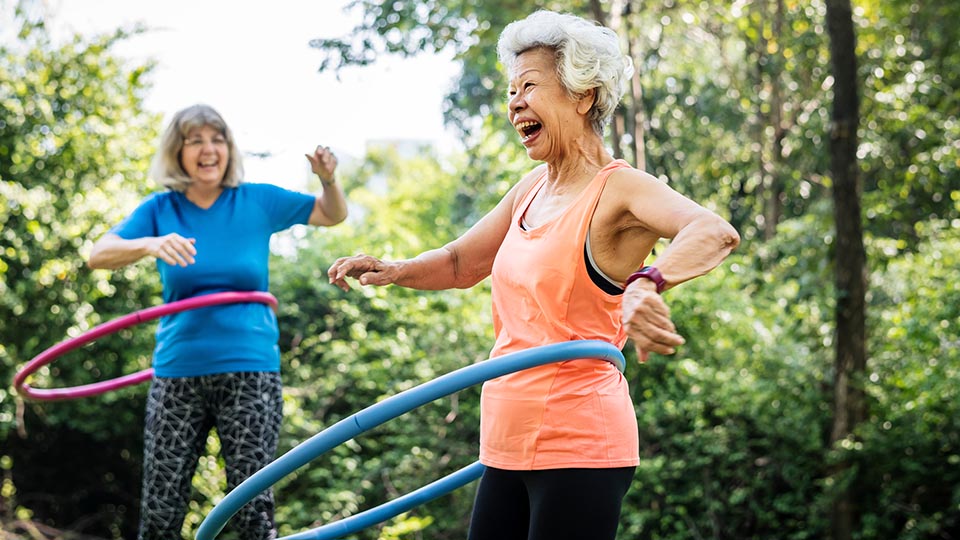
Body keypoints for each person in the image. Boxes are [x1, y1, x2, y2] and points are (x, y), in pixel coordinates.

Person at [327, 9, 740, 540]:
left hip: (580, 443)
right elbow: (460, 263)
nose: (514, 102)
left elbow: (714, 231)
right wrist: (394, 269)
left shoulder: (620, 189)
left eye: (529, 86)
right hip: (503, 442)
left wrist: (648, 282)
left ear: (582, 94)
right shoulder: (531, 188)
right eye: (510, 90)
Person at [86, 103, 348, 540]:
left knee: (251, 512)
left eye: (217, 139)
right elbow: (98, 254)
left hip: (250, 372)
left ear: (228, 148)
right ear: (178, 151)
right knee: (160, 511)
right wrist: (149, 244)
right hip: (177, 373)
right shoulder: (160, 209)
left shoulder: (256, 200)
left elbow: (331, 213)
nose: (208, 150)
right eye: (195, 140)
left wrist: (328, 178)